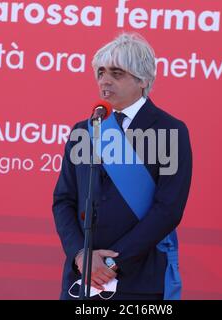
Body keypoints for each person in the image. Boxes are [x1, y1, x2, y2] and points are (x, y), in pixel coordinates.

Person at [52, 32, 192, 300]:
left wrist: (111, 263)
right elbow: (63, 200)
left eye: (117, 73)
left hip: (139, 277)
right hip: (82, 277)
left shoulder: (170, 130)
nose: (105, 81)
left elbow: (169, 208)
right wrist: (81, 256)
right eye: (101, 72)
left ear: (143, 80)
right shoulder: (85, 130)